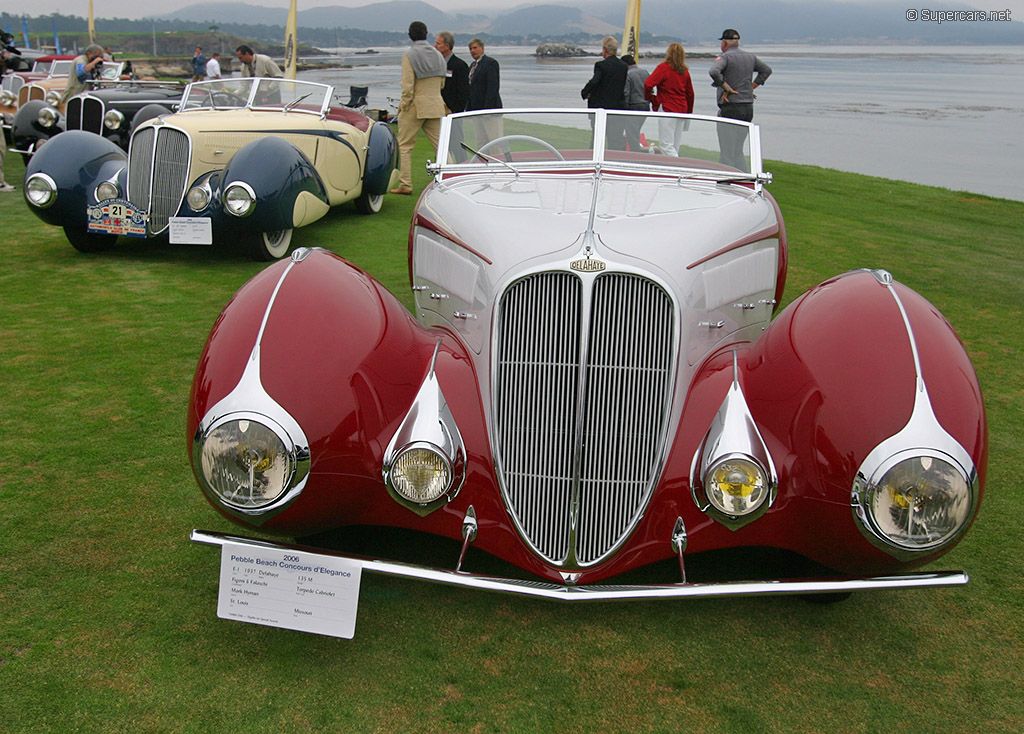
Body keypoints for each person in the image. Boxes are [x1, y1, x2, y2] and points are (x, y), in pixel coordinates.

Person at [391, 21, 446, 195]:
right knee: (441, 147)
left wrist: (404, 104)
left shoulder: (409, 55)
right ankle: (450, 178)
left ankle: (406, 184)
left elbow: (407, 86)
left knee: (406, 145)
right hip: (436, 103)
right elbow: (442, 83)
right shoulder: (438, 55)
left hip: (415, 104)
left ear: (410, 35)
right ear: (426, 34)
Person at [709, 29, 772, 171]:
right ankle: (744, 178)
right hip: (747, 107)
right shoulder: (750, 57)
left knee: (727, 150)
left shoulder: (725, 57)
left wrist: (726, 87)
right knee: (738, 149)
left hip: (731, 106)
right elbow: (766, 70)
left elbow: (714, 72)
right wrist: (751, 88)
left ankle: (726, 180)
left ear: (724, 43)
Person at [644, 42, 694, 157]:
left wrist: (651, 98)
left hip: (668, 108)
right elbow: (690, 94)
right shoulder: (684, 72)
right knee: (675, 144)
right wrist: (688, 113)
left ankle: (678, 167)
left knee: (666, 144)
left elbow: (648, 84)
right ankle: (674, 167)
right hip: (681, 109)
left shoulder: (664, 68)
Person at [581, 36, 628, 150]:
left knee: (598, 138)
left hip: (600, 107)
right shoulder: (623, 66)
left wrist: (585, 92)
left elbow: (595, 81)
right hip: (617, 107)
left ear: (604, 50)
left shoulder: (601, 65)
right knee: (615, 139)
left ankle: (594, 161)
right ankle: (615, 161)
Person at [434, 30, 469, 162]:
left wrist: (455, 112)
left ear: (447, 46)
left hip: (453, 113)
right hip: (439, 112)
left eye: (438, 43)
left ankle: (463, 169)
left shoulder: (459, 65)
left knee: (457, 145)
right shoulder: (437, 65)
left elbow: (464, 92)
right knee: (441, 147)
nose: (435, 46)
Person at [465, 38, 502, 148]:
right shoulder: (472, 66)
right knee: (481, 143)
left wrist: (487, 109)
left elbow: (493, 88)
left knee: (495, 143)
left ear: (482, 48)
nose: (472, 51)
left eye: (475, 48)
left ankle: (497, 164)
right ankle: (482, 164)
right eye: (470, 49)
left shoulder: (490, 63)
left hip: (490, 112)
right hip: (477, 111)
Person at [621, 54, 650, 152]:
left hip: (634, 106)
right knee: (636, 131)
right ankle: (636, 151)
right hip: (645, 106)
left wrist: (624, 108)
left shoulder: (628, 75)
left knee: (632, 133)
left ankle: (635, 153)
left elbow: (626, 92)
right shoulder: (645, 72)